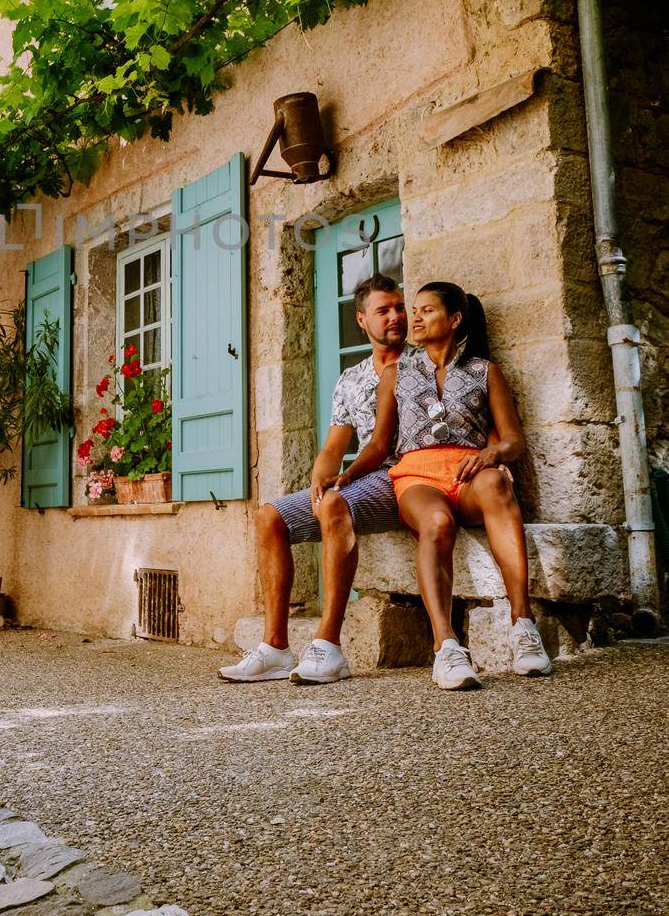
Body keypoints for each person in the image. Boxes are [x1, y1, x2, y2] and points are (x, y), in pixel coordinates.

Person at [336, 281, 552, 690]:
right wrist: (347, 476)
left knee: (498, 488)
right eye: (413, 310)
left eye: (425, 310)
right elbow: (381, 442)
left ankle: (523, 626)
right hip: (416, 475)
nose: (414, 318)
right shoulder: (396, 374)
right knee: (436, 521)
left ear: (454, 320)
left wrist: (492, 455)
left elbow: (513, 440)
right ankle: (446, 646)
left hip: (469, 472)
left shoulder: (484, 371)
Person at [219, 274, 407, 684]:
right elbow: (332, 449)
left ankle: (328, 646)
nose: (396, 316)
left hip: (404, 479)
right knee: (270, 516)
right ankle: (275, 649)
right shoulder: (351, 379)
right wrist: (319, 481)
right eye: (384, 310)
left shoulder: (421, 366)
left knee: (338, 503)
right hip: (359, 482)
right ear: (361, 320)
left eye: (400, 307)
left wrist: (338, 487)